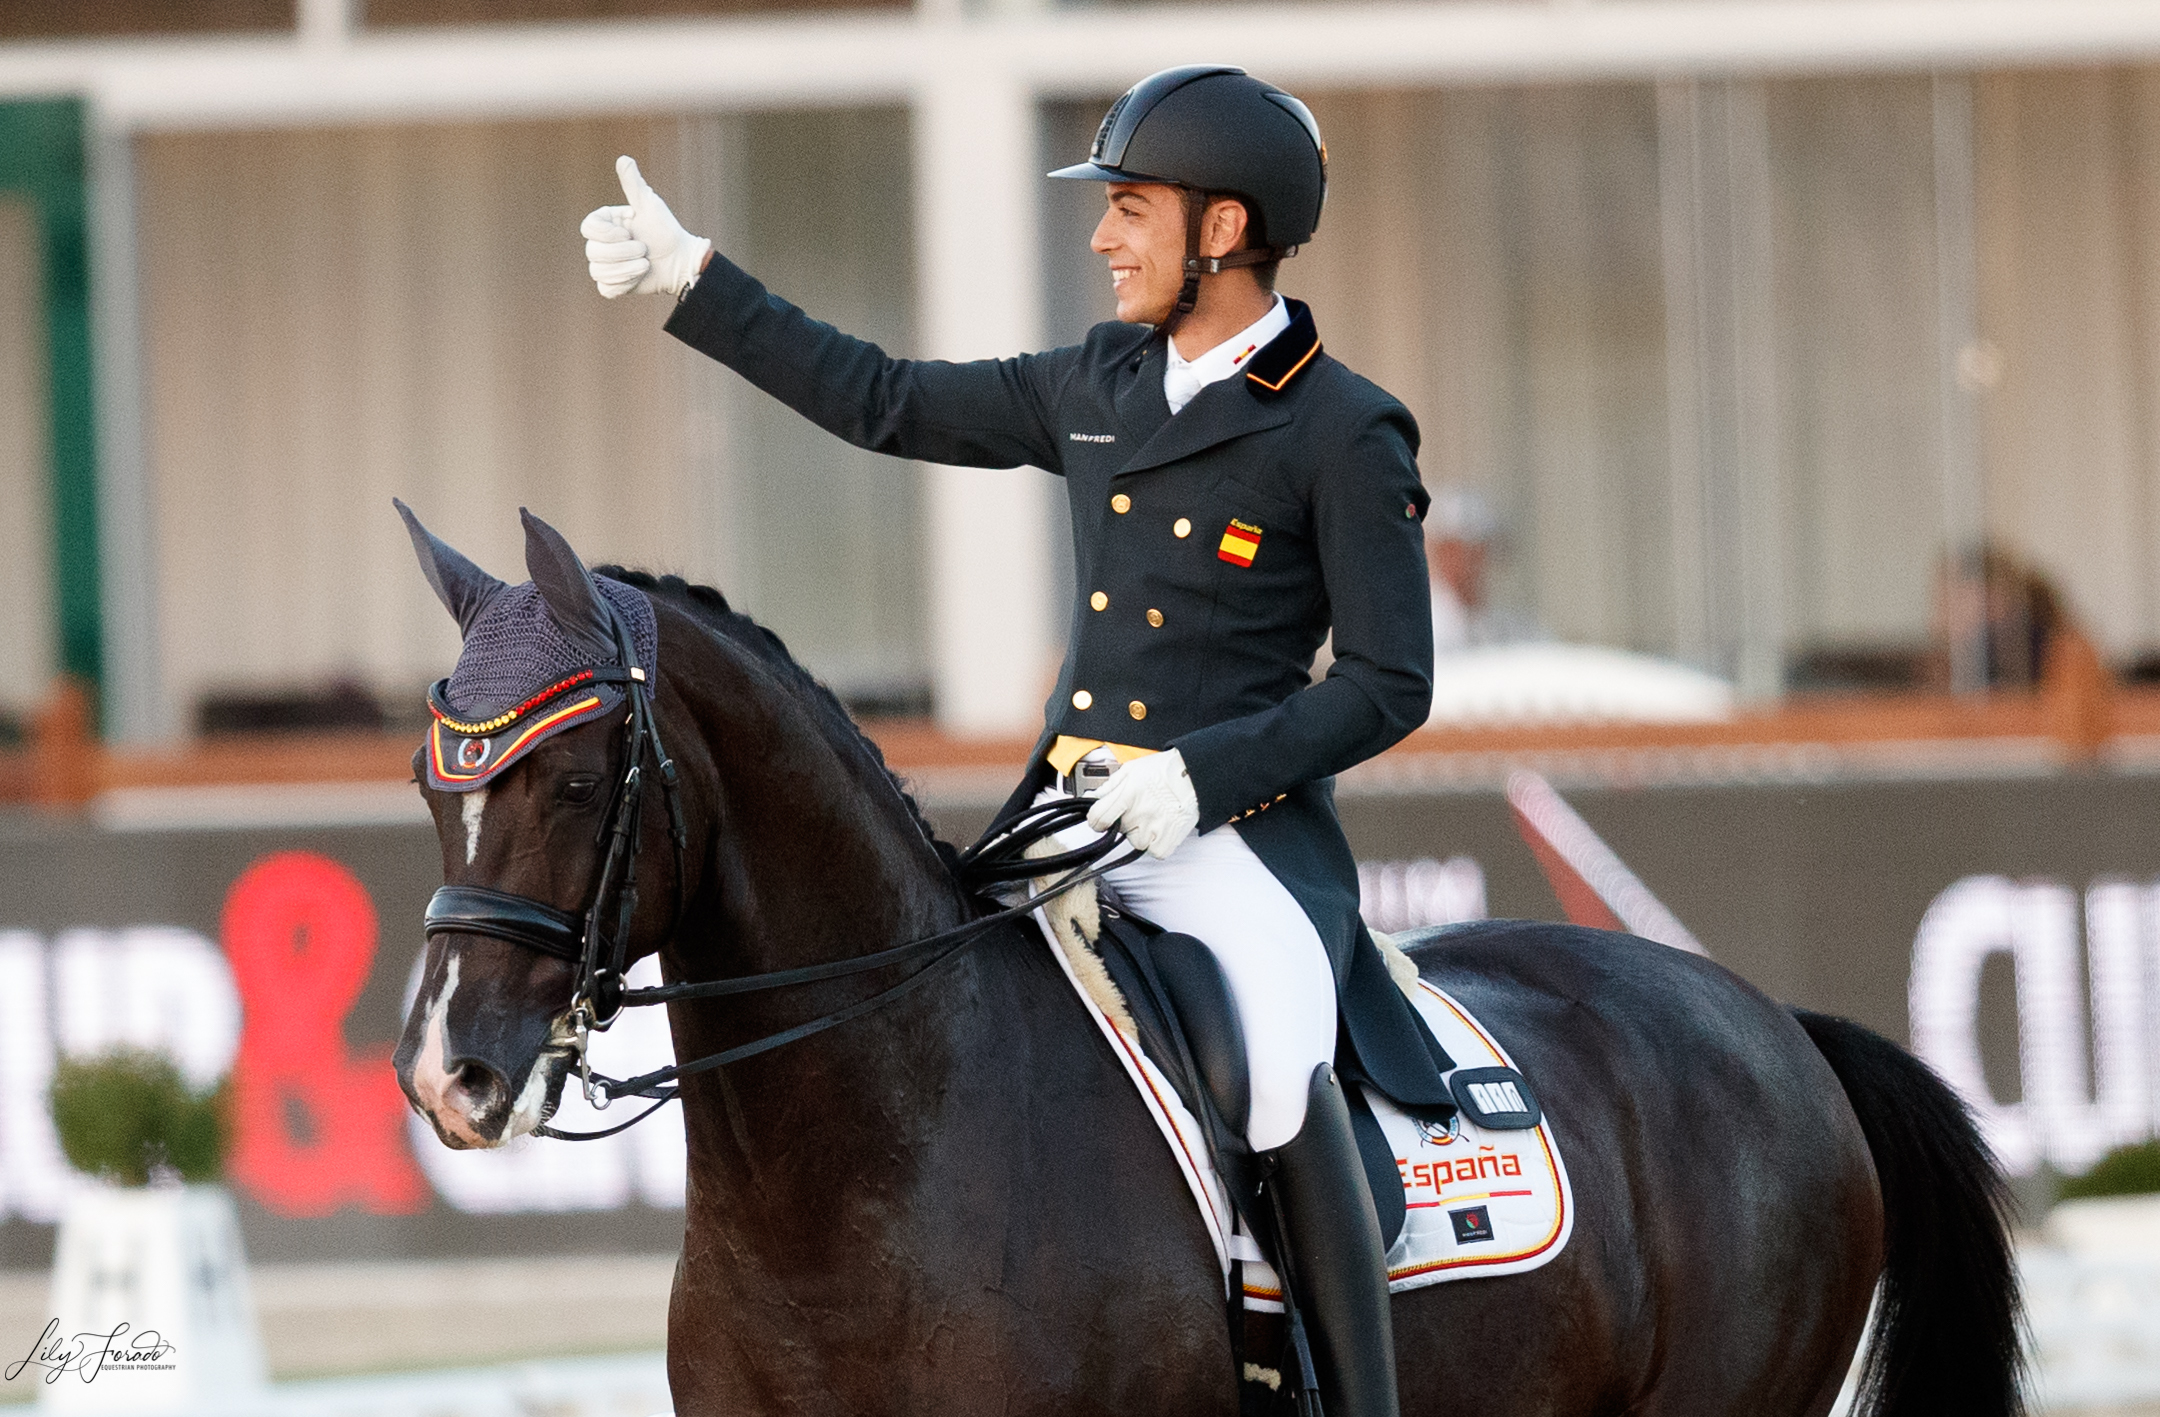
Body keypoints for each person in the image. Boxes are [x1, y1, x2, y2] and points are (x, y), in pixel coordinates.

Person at [582, 65, 1442, 1417]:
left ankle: (1354, 1395)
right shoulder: (1099, 381)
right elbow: (888, 399)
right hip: (1070, 817)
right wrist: (700, 283)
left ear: (1223, 229)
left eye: (1132, 211)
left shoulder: (1341, 427)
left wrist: (1202, 779)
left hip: (1238, 842)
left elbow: (1393, 683)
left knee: (1277, 1061)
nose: (1102, 237)